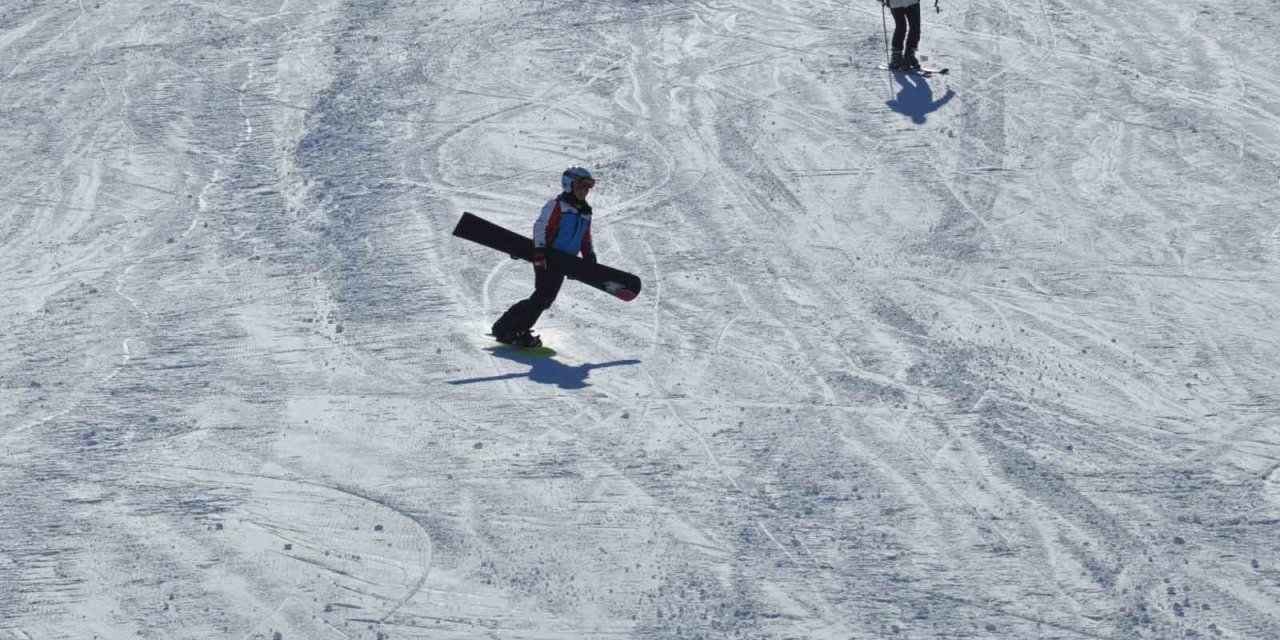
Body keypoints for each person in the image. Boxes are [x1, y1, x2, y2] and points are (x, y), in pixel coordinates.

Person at [491, 167, 597, 348]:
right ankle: (518, 329)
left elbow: (584, 237)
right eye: (580, 186)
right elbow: (541, 227)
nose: (583, 191)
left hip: (564, 262)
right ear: (568, 185)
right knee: (543, 297)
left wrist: (589, 255)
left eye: (586, 188)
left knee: (544, 299)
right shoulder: (557, 206)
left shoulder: (586, 212)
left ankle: (505, 326)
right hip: (548, 257)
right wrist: (539, 252)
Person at [884, 0, 923, 71]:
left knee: (915, 27)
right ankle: (896, 55)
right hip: (896, 3)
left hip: (912, 2)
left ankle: (909, 54)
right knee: (901, 27)